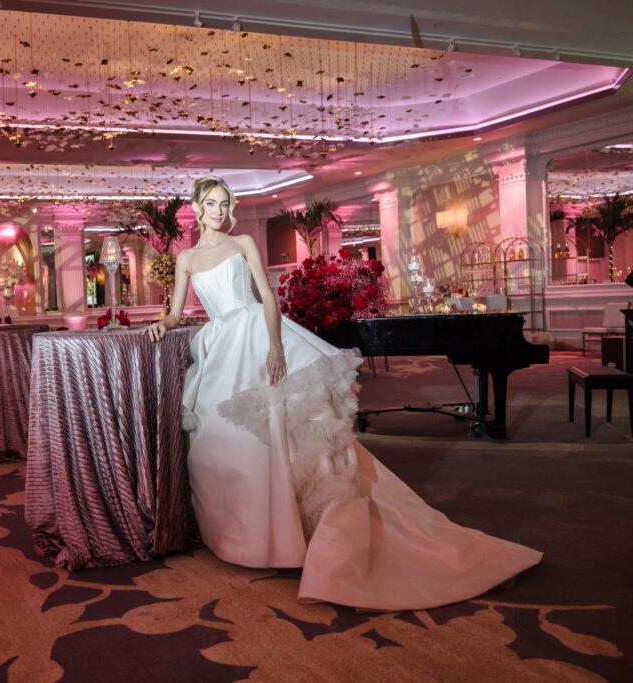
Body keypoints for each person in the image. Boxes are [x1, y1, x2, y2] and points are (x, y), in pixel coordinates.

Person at [142, 175, 541, 610]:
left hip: (256, 336)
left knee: (275, 433)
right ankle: (243, 537)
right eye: (212, 205)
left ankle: (287, 535)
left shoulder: (243, 246)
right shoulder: (185, 260)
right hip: (220, 347)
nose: (219, 212)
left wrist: (275, 347)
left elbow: (269, 300)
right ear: (197, 209)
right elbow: (178, 313)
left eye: (225, 204)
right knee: (223, 441)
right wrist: (161, 323)